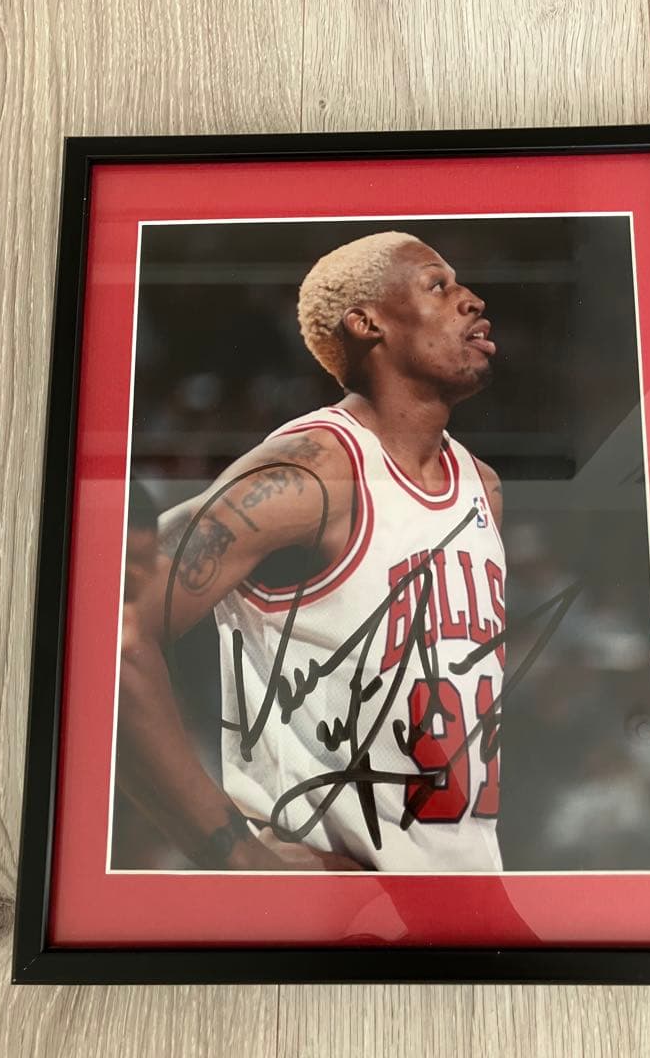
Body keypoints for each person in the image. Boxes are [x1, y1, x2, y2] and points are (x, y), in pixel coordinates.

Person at [119, 230, 506, 872]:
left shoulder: (481, 487)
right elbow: (110, 623)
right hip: (343, 905)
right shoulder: (312, 472)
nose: (471, 299)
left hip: (468, 886)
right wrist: (235, 856)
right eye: (438, 285)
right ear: (367, 322)